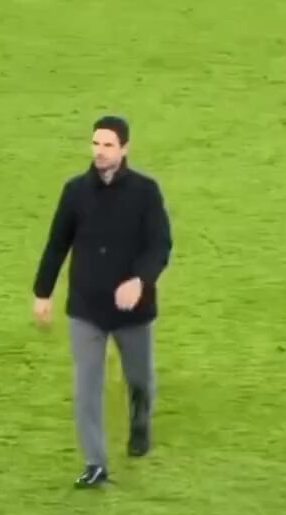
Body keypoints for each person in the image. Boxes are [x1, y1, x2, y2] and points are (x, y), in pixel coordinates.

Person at [32, 115, 173, 488]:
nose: (100, 151)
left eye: (108, 145)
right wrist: (43, 292)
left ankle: (140, 422)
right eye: (96, 143)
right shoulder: (75, 192)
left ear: (124, 148)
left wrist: (140, 280)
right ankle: (95, 463)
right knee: (87, 388)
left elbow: (160, 245)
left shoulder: (146, 192)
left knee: (139, 380)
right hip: (86, 307)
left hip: (133, 310)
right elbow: (57, 244)